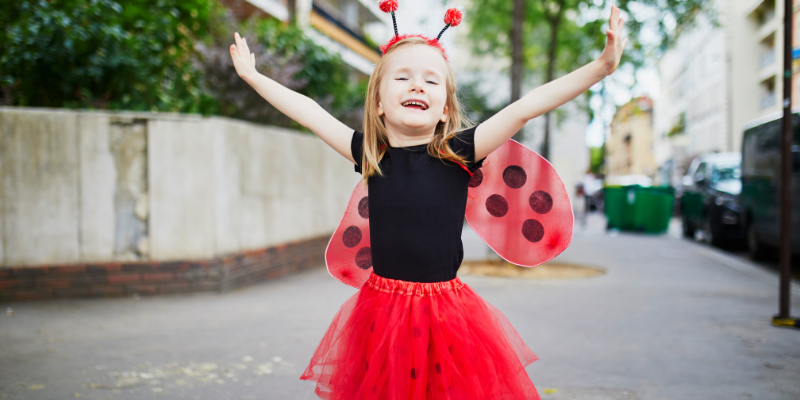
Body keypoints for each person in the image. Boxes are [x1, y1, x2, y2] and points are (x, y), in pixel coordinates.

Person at [229, 3, 626, 398]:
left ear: (444, 110)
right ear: (379, 103)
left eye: (431, 81)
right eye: (402, 77)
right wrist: (253, 77)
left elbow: (524, 109)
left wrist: (601, 67)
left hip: (447, 317)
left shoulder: (459, 153)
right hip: (380, 316)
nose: (417, 85)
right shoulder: (370, 154)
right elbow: (311, 113)